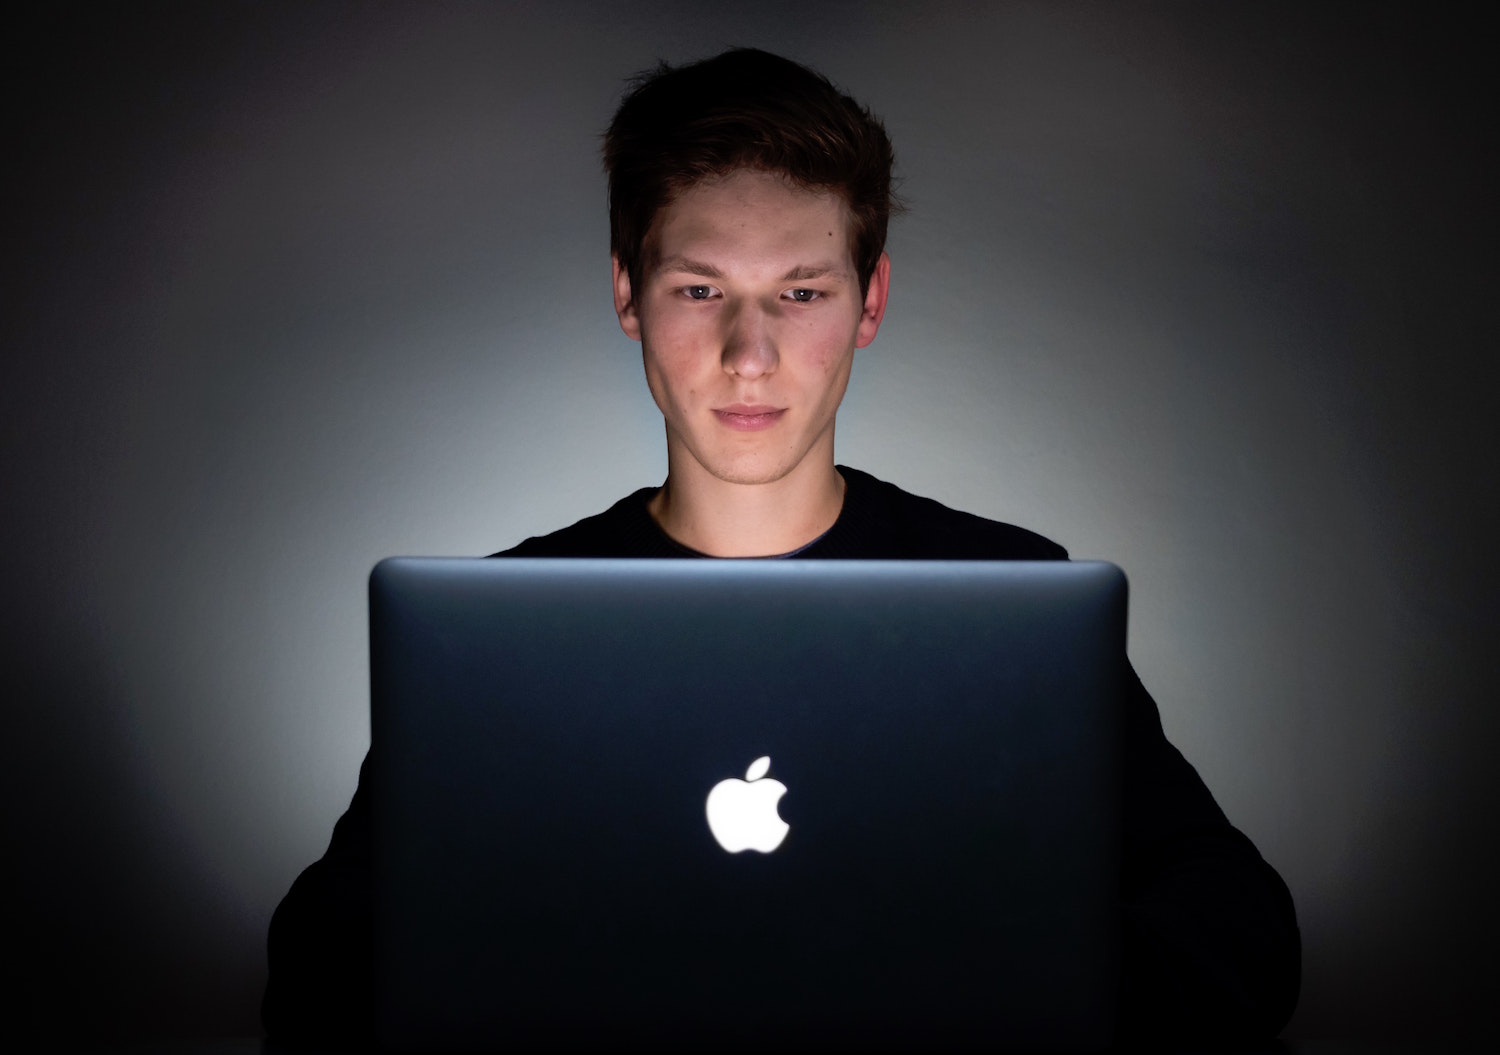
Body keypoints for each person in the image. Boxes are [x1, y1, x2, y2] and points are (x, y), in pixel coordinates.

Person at [264, 48, 1300, 1047]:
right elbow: (319, 960)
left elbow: (1239, 921)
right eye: (700, 289)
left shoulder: (1007, 598)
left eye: (800, 293)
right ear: (628, 293)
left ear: (870, 303)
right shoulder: (501, 628)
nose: (748, 357)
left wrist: (985, 984)